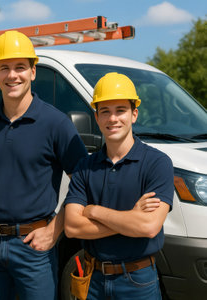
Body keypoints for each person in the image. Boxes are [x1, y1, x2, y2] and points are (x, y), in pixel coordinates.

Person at [0, 30, 88, 299]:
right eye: (4, 68)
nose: (12, 76)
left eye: (20, 67)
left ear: (33, 72)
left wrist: (55, 231)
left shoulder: (56, 123)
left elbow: (83, 181)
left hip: (35, 246)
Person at [64, 72, 174, 299]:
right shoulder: (85, 166)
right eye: (105, 111)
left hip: (137, 282)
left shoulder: (157, 163)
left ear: (134, 114)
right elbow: (72, 227)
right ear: (96, 117)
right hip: (92, 280)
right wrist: (131, 219)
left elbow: (149, 227)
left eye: (120, 111)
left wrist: (95, 211)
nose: (113, 119)